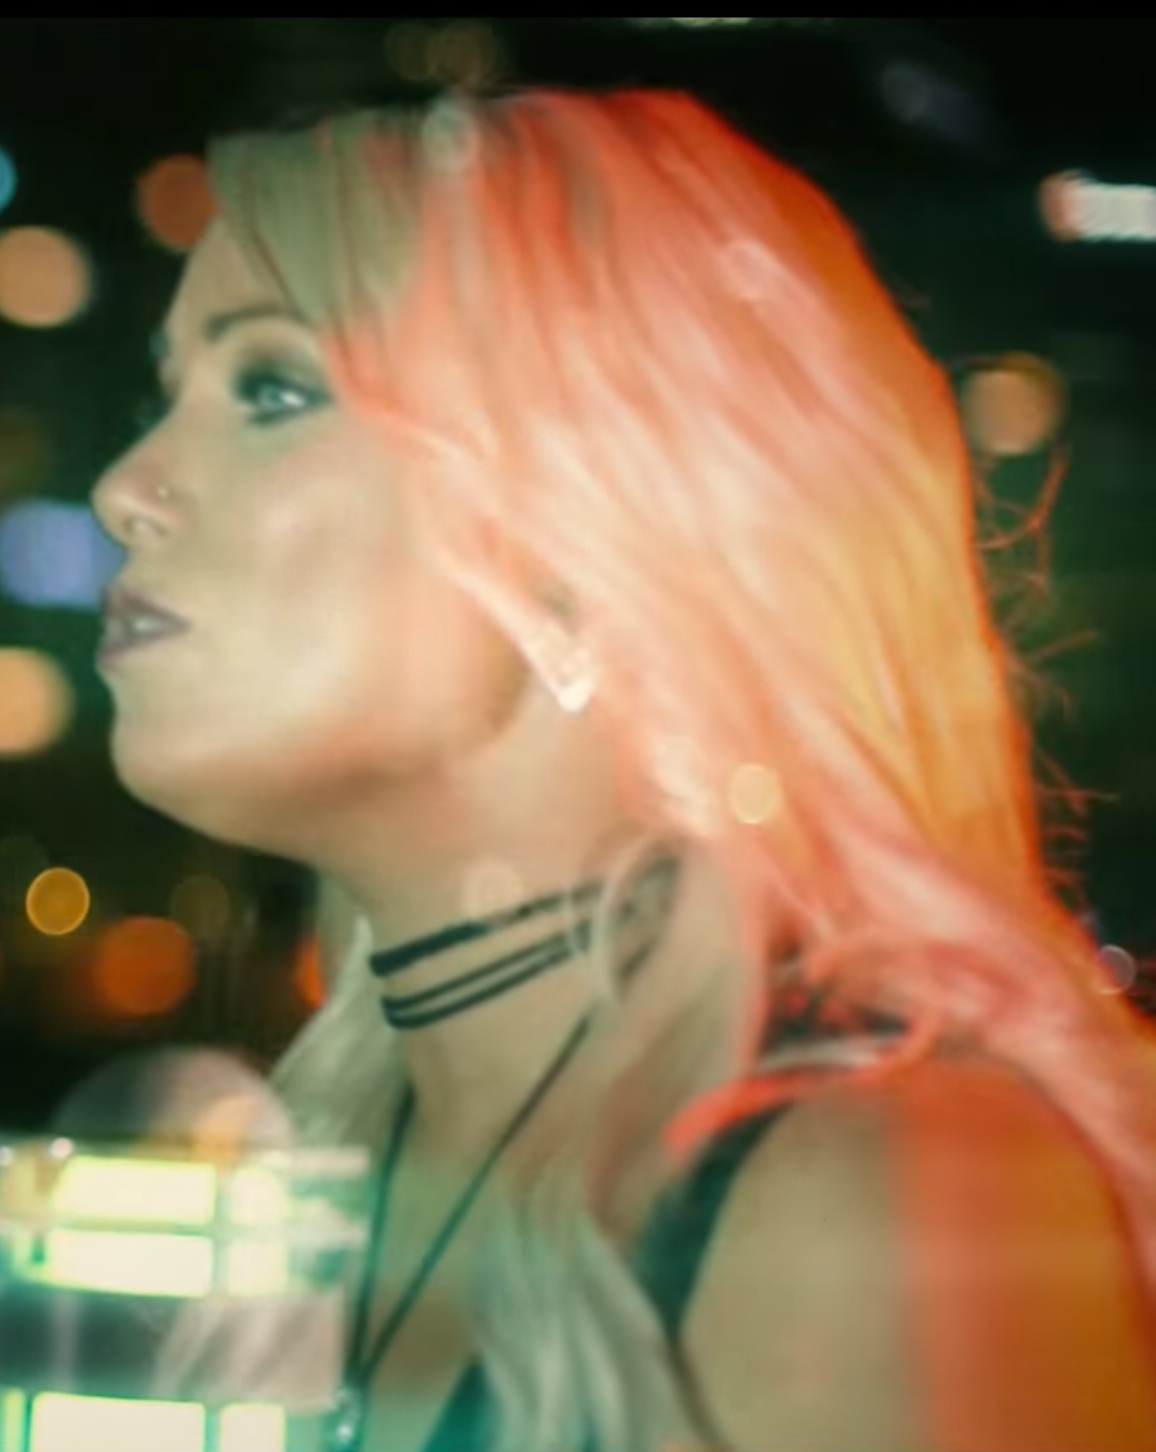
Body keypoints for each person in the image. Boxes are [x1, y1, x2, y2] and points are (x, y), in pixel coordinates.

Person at [93, 89, 1156, 1451]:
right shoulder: (312, 1184)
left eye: (272, 388)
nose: (124, 485)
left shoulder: (874, 1193)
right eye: (164, 395)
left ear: (581, 533)